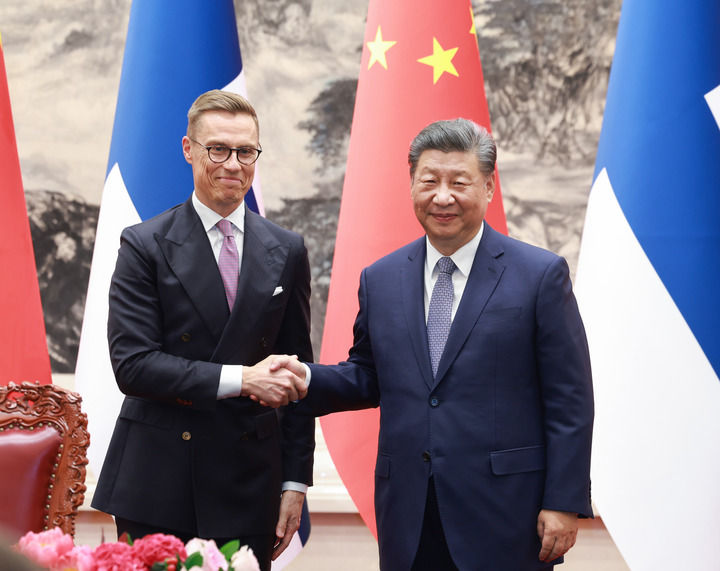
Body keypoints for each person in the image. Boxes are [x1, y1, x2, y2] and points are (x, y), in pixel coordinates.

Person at [275, 118, 594, 570]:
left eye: (459, 182)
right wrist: (304, 378)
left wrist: (563, 501)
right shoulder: (380, 279)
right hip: (410, 514)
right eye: (429, 181)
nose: (442, 197)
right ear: (412, 184)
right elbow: (367, 374)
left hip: (508, 515)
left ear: (488, 186)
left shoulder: (539, 275)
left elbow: (570, 399)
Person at [91, 90, 314, 571]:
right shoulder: (144, 244)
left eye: (246, 151)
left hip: (249, 483)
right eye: (218, 149)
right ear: (189, 149)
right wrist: (244, 379)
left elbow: (297, 375)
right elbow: (134, 366)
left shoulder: (288, 249)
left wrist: (296, 482)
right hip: (159, 483)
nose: (233, 164)